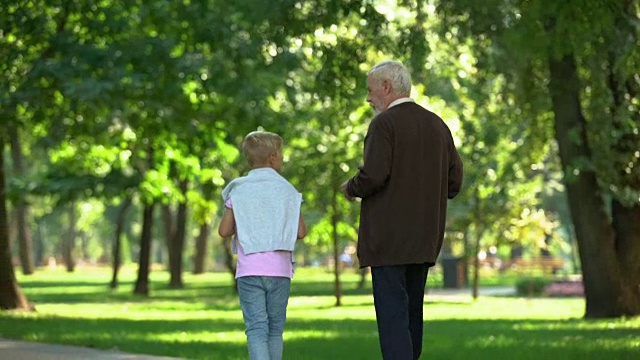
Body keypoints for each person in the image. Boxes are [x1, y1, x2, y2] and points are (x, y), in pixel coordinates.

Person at [341, 60, 463, 360]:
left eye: (370, 91)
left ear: (386, 87)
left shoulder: (384, 124)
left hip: (388, 240)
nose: (368, 98)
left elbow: (374, 175)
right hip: (424, 238)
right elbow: (455, 181)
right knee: (411, 318)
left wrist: (350, 187)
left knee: (393, 320)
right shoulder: (437, 124)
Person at [218, 130, 307, 360]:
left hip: (249, 271)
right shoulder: (288, 190)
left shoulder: (239, 189)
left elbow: (224, 231)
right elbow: (301, 232)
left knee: (256, 330)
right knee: (275, 330)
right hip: (279, 272)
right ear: (274, 157)